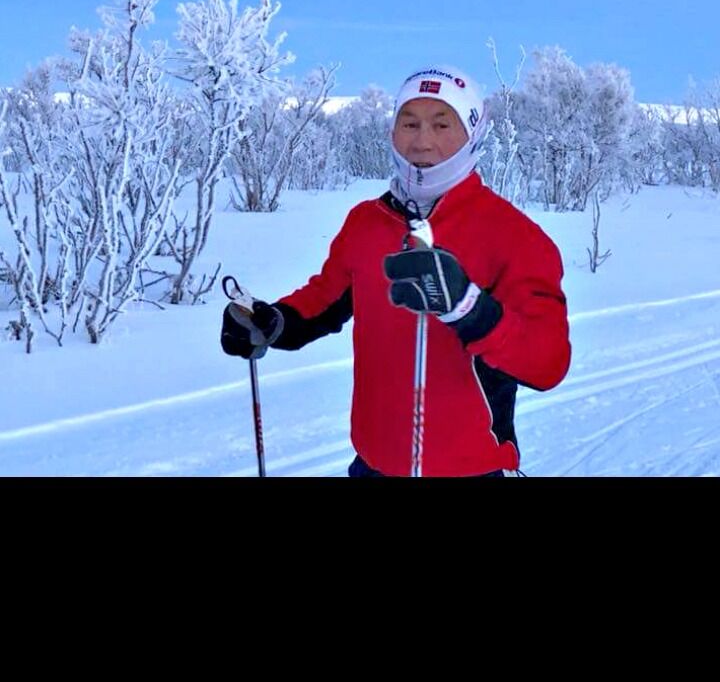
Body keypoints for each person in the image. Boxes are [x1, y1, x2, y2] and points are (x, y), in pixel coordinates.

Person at [221, 67, 571, 477]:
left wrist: (470, 309)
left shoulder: (514, 236)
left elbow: (548, 363)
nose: (423, 141)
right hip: (372, 467)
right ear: (392, 132)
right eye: (410, 123)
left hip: (471, 470)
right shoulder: (366, 223)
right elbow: (324, 299)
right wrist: (271, 322)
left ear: (473, 135)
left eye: (442, 124)